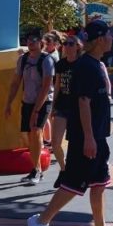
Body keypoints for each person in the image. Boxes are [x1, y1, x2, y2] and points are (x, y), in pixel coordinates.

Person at [27, 19, 113, 226]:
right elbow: (83, 102)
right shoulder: (87, 66)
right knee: (73, 183)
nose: (112, 38)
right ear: (100, 39)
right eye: (109, 35)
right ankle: (40, 222)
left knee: (99, 183)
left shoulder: (95, 64)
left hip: (97, 136)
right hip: (85, 137)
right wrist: (89, 137)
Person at [4, 28, 55, 185]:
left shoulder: (47, 60)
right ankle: (35, 168)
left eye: (34, 41)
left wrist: (36, 110)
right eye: (28, 41)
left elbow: (46, 87)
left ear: (41, 43)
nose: (31, 44)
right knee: (28, 135)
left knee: (36, 132)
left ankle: (37, 170)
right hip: (27, 101)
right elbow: (15, 82)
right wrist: (8, 103)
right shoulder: (23, 60)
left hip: (43, 101)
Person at [50, 34, 83, 172]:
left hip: (78, 107)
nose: (67, 46)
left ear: (77, 46)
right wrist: (52, 106)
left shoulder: (82, 63)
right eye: (66, 43)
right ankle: (64, 170)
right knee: (55, 142)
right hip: (62, 106)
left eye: (71, 43)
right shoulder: (60, 64)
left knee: (76, 142)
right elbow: (57, 85)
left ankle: (77, 169)